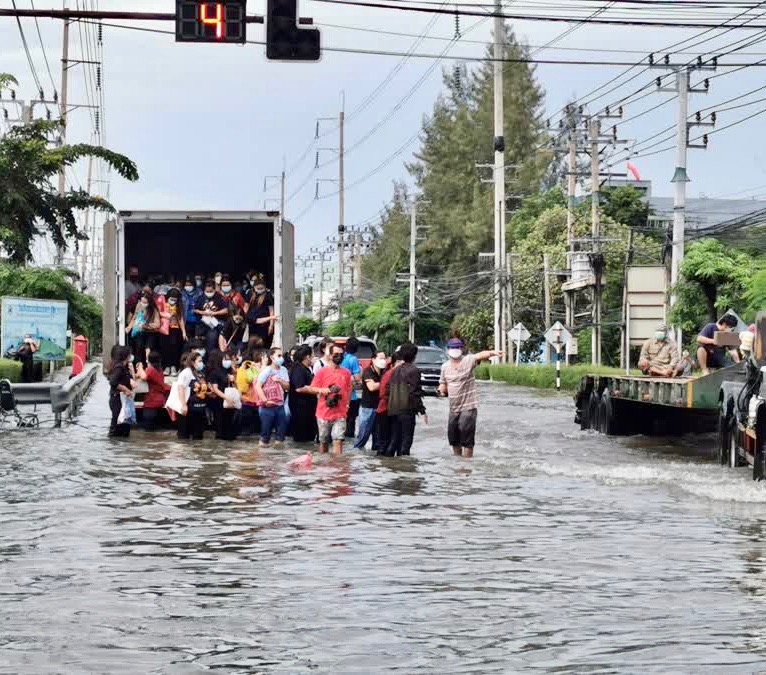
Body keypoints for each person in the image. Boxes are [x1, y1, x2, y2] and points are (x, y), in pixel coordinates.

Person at [438, 338, 502, 458]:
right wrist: (441, 390)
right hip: (453, 408)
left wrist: (493, 352)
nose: (455, 350)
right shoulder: (445, 367)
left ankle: (467, 463)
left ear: (461, 349)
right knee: (453, 436)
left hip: (468, 406)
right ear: (448, 350)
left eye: (457, 347)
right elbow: (443, 383)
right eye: (453, 347)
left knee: (465, 432)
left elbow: (480, 355)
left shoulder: (468, 360)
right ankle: (458, 461)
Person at [383, 342, 426, 457]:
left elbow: (387, 390)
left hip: (393, 410)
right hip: (407, 411)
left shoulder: (395, 370)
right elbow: (414, 393)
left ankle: (387, 466)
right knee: (406, 442)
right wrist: (422, 410)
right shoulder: (414, 370)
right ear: (414, 355)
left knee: (394, 439)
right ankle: (403, 467)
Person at [311, 342, 353, 454]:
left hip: (340, 413)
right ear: (330, 356)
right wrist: (323, 391)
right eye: (336, 354)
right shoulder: (322, 371)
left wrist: (347, 405)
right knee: (323, 441)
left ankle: (337, 466)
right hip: (323, 413)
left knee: (338, 440)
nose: (339, 357)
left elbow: (349, 389)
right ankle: (324, 465)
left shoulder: (347, 373)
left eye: (341, 354)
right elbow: (312, 388)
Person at [255, 350, 290, 447]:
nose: (281, 358)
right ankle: (263, 458)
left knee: (281, 436)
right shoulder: (266, 370)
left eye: (281, 355)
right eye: (278, 355)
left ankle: (277, 458)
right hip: (267, 407)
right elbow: (258, 386)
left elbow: (287, 387)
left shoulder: (284, 370)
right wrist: (265, 401)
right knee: (265, 437)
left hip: (280, 406)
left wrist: (280, 381)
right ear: (271, 357)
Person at [354, 351, 387, 450]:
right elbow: (371, 387)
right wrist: (384, 383)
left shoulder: (383, 372)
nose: (383, 361)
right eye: (380, 358)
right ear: (373, 359)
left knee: (378, 438)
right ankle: (356, 455)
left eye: (384, 358)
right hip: (367, 408)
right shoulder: (368, 371)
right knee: (363, 437)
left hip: (379, 408)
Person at [176, 350, 210, 440]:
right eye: (199, 361)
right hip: (188, 410)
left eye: (202, 361)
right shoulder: (186, 373)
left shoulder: (200, 374)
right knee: (184, 438)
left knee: (198, 438)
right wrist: (183, 404)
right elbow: (180, 388)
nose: (201, 363)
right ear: (192, 362)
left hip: (199, 411)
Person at [289, 345, 318, 443]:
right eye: (312, 355)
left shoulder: (306, 368)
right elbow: (299, 388)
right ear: (307, 357)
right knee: (302, 436)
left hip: (308, 407)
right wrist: (318, 390)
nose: (313, 358)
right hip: (300, 408)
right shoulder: (298, 368)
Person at [126, 289, 160, 367]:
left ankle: (149, 366)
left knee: (148, 349)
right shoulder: (139, 305)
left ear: (149, 302)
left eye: (145, 302)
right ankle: (139, 366)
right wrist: (129, 327)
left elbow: (157, 324)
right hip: (140, 331)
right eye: (142, 301)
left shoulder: (154, 309)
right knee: (139, 348)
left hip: (151, 332)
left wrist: (146, 325)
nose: (143, 304)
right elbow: (135, 317)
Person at [207, 349, 237, 441]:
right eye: (225, 359)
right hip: (219, 400)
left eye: (228, 359)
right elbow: (215, 389)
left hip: (230, 400)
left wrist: (233, 380)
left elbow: (235, 386)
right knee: (220, 422)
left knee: (230, 422)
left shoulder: (229, 371)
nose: (228, 361)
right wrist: (225, 397)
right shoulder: (215, 372)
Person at [136, 351, 170, 430]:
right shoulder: (159, 369)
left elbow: (143, 377)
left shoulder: (150, 370)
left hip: (151, 402)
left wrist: (140, 366)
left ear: (149, 360)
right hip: (160, 400)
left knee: (148, 430)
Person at [375, 351, 400, 455]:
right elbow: (382, 393)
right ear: (396, 362)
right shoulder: (390, 374)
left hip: (390, 410)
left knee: (388, 440)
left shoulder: (394, 373)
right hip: (385, 410)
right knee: (384, 442)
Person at [194, 280, 228, 354]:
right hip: (202, 324)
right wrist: (202, 312)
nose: (209, 293)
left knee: (211, 341)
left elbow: (226, 310)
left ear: (214, 289)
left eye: (211, 291)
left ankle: (210, 357)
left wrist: (215, 313)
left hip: (214, 325)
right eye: (207, 291)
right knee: (199, 344)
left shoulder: (219, 297)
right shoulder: (201, 297)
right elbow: (195, 309)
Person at [108, 345, 134, 438]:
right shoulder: (119, 367)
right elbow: (112, 382)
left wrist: (132, 371)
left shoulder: (125, 367)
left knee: (125, 425)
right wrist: (125, 389)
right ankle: (113, 447)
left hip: (123, 400)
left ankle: (121, 449)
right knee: (117, 424)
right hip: (117, 399)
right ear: (126, 356)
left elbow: (132, 382)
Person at [245, 274, 278, 349]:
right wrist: (246, 317)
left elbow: (271, 311)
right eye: (258, 288)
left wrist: (271, 325)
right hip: (252, 323)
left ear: (265, 287)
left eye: (261, 288)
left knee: (263, 344)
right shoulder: (250, 294)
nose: (260, 289)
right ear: (254, 287)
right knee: (252, 344)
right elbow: (246, 306)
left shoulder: (268, 296)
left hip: (264, 325)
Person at [236, 349, 261, 438]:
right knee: (247, 430)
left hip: (256, 402)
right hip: (247, 401)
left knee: (254, 430)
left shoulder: (253, 370)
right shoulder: (243, 371)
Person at [161, 288, 187, 375]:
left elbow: (180, 319)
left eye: (175, 299)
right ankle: (166, 367)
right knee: (165, 348)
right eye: (171, 299)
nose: (173, 301)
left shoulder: (178, 306)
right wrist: (167, 315)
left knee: (174, 348)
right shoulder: (163, 304)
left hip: (174, 329)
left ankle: (173, 367)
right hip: (164, 329)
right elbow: (158, 313)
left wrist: (183, 332)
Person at [341, 337, 363, 439]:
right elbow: (358, 377)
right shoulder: (353, 359)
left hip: (340, 395)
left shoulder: (341, 357)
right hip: (351, 397)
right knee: (351, 421)